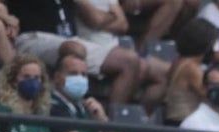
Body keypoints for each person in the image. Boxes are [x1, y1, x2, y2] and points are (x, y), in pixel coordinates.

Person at [8, 0, 143, 105]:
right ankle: (63, 109)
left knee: (130, 60)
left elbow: (101, 19)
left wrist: (107, 17)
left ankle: (110, 126)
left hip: (70, 39)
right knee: (74, 48)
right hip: (32, 37)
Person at [162, 17, 217, 126]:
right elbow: (209, 97)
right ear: (205, 44)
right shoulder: (192, 69)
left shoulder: (178, 60)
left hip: (174, 121)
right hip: (182, 123)